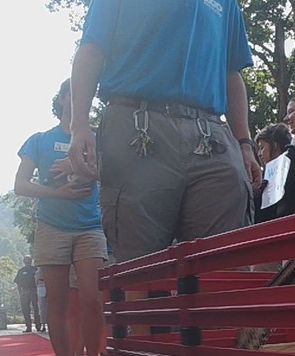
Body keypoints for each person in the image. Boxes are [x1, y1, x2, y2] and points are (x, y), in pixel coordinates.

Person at [66, 0, 260, 264]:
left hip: (212, 133)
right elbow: (91, 47)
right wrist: (79, 125)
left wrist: (245, 144)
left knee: (223, 260)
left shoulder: (227, 4)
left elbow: (231, 71)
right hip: (137, 126)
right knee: (140, 264)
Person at [16, 79, 108, 356]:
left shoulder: (96, 139)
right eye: (73, 94)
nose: (80, 98)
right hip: (52, 226)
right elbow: (21, 185)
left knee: (92, 299)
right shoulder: (39, 140)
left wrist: (77, 163)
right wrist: (58, 193)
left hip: (90, 226)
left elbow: (112, 174)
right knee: (56, 301)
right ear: (63, 99)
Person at [253, 123, 292, 223]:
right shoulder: (261, 177)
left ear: (274, 146)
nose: (259, 154)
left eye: (262, 148)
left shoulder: (291, 170)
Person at [13, 256, 41, 333]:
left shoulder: (35, 270)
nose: (27, 261)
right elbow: (18, 283)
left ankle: (38, 325)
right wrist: (20, 293)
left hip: (33, 290)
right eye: (26, 260)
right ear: (23, 261)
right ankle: (28, 326)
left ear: (31, 260)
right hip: (24, 291)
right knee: (25, 309)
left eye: (29, 260)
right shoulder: (21, 271)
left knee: (36, 308)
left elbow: (39, 280)